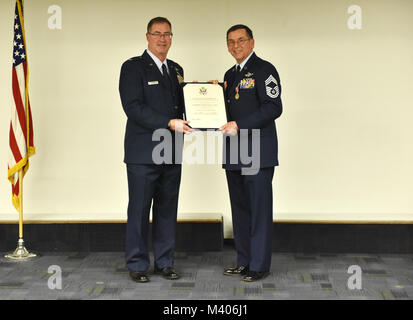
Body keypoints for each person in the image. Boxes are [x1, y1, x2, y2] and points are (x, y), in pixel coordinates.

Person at [119, 17, 192, 283]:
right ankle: (138, 264)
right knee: (139, 210)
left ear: (172, 37)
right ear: (147, 36)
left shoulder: (176, 68)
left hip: (171, 150)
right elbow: (133, 108)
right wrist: (168, 122)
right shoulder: (133, 67)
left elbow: (184, 105)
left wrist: (209, 92)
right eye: (157, 34)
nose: (162, 39)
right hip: (143, 152)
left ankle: (165, 262)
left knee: (167, 208)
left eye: (167, 34)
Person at [220, 24, 283, 282]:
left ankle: (259, 265)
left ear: (252, 42)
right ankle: (244, 261)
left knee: (258, 210)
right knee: (241, 211)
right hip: (234, 152)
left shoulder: (264, 70)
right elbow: (226, 112)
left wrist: (240, 125)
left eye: (241, 40)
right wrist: (214, 94)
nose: (236, 46)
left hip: (258, 151)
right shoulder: (229, 74)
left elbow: (273, 107)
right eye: (231, 42)